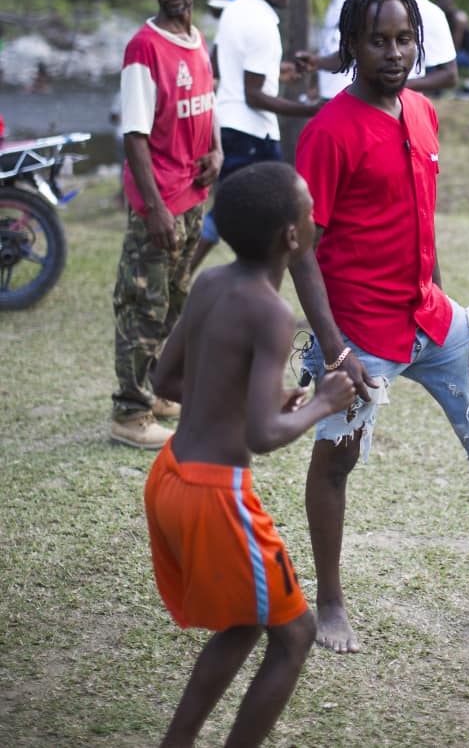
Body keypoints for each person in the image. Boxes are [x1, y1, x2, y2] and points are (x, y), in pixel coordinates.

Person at [290, 0, 469, 654]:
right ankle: (329, 603)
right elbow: (301, 253)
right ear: (351, 45)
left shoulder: (421, 112)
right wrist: (334, 351)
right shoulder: (329, 132)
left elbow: (421, 220)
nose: (393, 53)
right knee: (336, 462)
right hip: (358, 330)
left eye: (404, 39)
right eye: (378, 40)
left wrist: (443, 304)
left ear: (419, 43)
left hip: (424, 312)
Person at [145, 162, 356, 748]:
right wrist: (321, 402)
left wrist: (253, 398)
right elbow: (264, 435)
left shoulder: (212, 282)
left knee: (244, 621)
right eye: (310, 209)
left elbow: (165, 378)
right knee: (294, 634)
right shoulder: (272, 312)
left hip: (170, 476)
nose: (316, 217)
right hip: (217, 495)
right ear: (292, 237)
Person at [111, 0, 222, 450]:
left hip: (194, 194)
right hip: (159, 203)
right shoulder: (143, 48)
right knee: (143, 305)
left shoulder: (198, 40)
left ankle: (156, 392)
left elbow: (207, 101)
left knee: (175, 298)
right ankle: (129, 414)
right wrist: (153, 207)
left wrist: (217, 152)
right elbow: (134, 136)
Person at [189, 0, 323, 274]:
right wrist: (310, 109)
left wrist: (279, 72)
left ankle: (182, 276)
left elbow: (223, 64)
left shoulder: (235, 9)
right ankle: (314, 295)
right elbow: (255, 95)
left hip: (227, 126)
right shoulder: (265, 24)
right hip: (253, 135)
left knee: (230, 212)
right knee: (290, 213)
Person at [297, 0, 458, 97]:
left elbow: (449, 76)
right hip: (361, 104)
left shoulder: (429, 12)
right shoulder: (365, 6)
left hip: (405, 107)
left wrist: (396, 85)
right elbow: (350, 54)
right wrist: (317, 62)